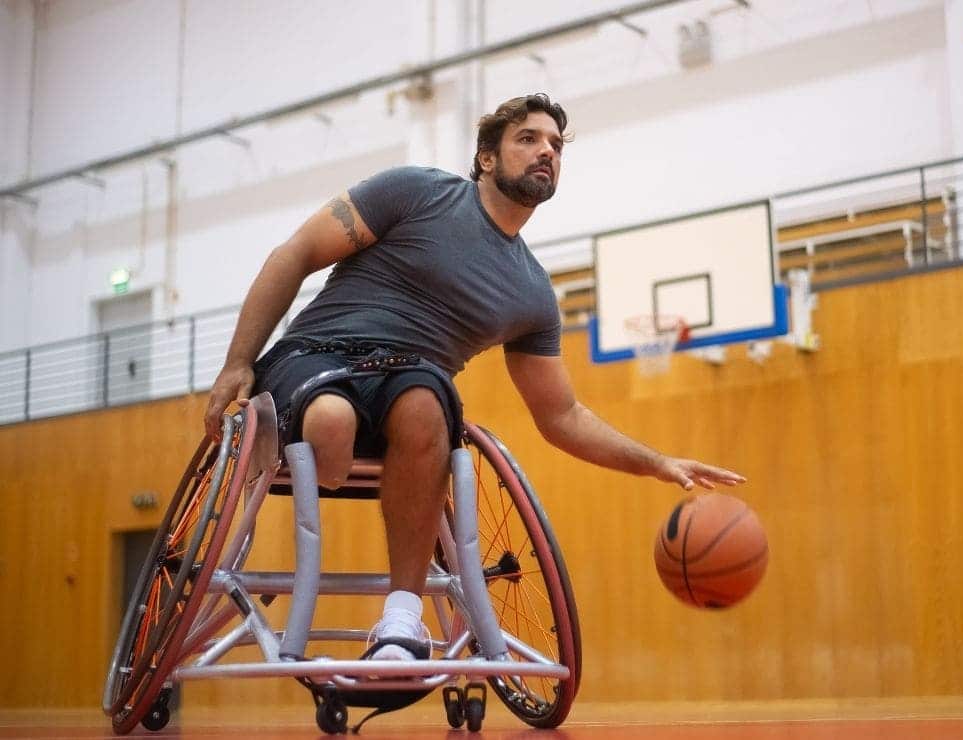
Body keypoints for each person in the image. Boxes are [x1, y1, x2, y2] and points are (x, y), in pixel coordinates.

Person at [203, 93, 745, 662]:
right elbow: (295, 254)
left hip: (408, 385)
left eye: (556, 145)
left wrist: (657, 462)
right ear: (487, 158)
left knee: (427, 404)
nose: (547, 152)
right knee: (332, 425)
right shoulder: (414, 192)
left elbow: (562, 416)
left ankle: (401, 621)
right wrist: (237, 361)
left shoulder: (531, 292)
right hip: (316, 354)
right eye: (529, 139)